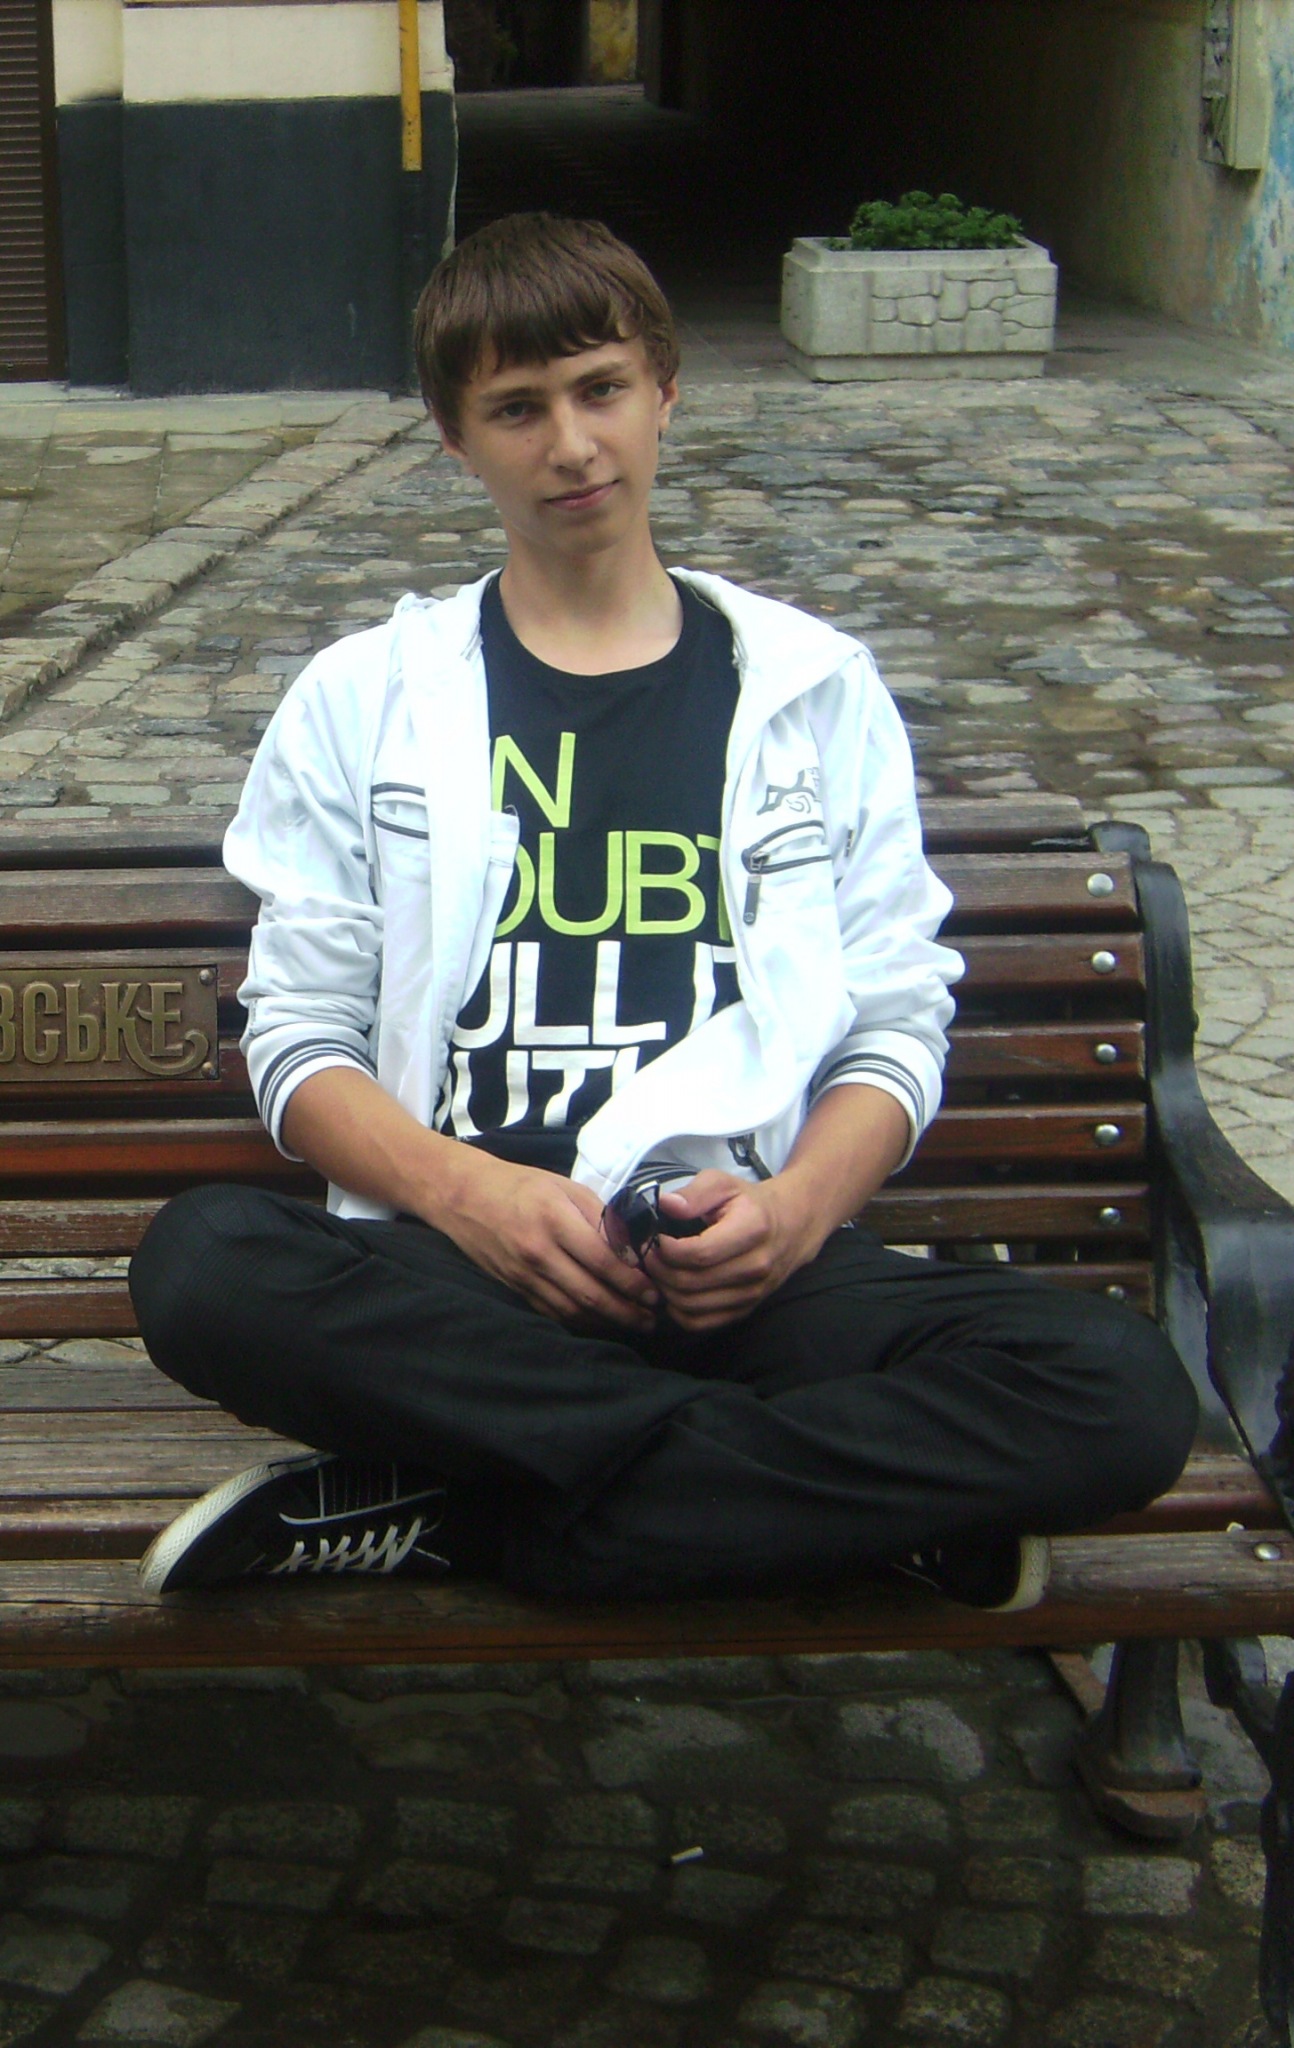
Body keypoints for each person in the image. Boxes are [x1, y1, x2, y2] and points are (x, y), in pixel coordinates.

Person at [128, 213, 1198, 1607]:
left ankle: (472, 1508)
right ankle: (815, 1507)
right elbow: (298, 1039)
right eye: (518, 408)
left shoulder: (809, 688)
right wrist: (473, 1197)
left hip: (738, 1275)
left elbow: (893, 1019)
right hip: (465, 1280)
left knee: (1118, 1389)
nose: (572, 445)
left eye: (601, 389)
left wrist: (796, 1215)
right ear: (455, 440)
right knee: (203, 1265)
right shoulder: (365, 695)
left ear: (665, 391)